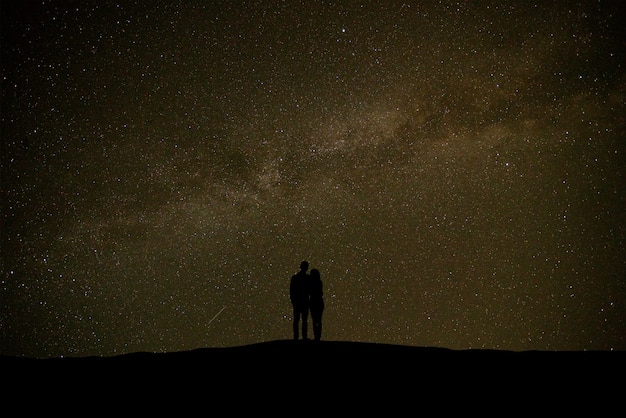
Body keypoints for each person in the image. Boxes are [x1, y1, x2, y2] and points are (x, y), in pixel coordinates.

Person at [290, 260, 310, 340]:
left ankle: (296, 337)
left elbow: (291, 291)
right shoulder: (308, 278)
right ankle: (303, 337)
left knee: (297, 320)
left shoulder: (295, 278)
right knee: (303, 320)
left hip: (298, 301)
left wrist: (293, 300)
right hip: (303, 301)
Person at [309, 268, 324, 341]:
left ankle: (316, 336)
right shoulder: (319, 282)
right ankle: (318, 336)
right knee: (318, 320)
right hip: (319, 302)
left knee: (315, 320)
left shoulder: (311, 283)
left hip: (314, 302)